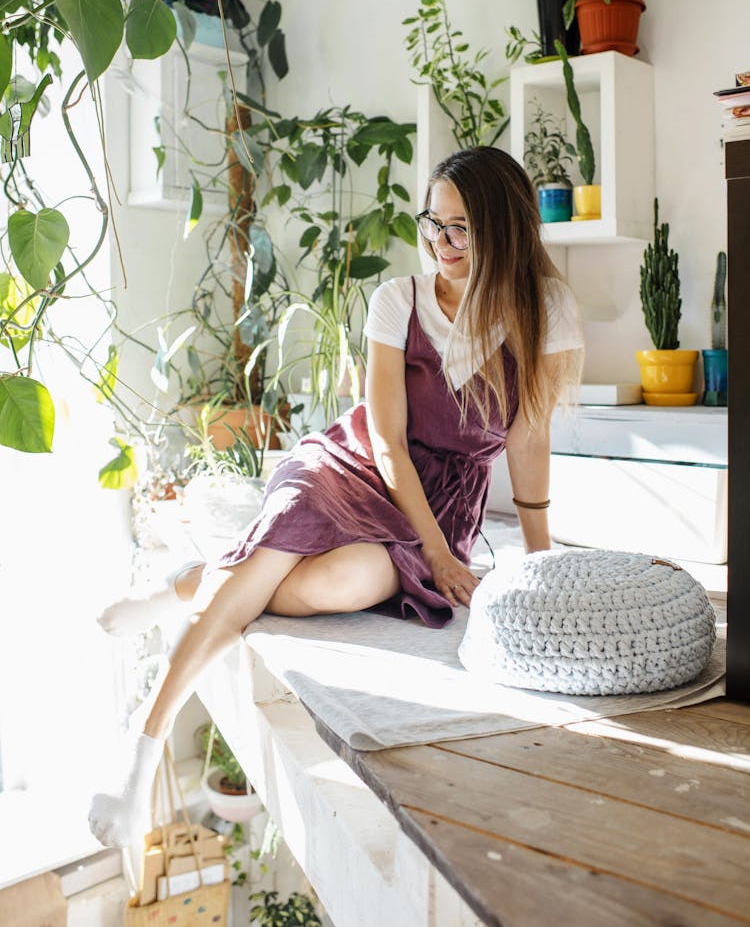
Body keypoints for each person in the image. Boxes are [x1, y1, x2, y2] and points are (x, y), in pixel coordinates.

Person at [88, 145, 583, 848]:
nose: (441, 244)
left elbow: (530, 441)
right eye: (433, 224)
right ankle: (139, 759)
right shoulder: (398, 302)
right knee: (267, 567)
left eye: (461, 228)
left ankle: (196, 580)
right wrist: (439, 557)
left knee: (345, 583)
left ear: (503, 229)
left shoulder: (545, 308)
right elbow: (386, 439)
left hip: (443, 499)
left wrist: (541, 562)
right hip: (353, 465)